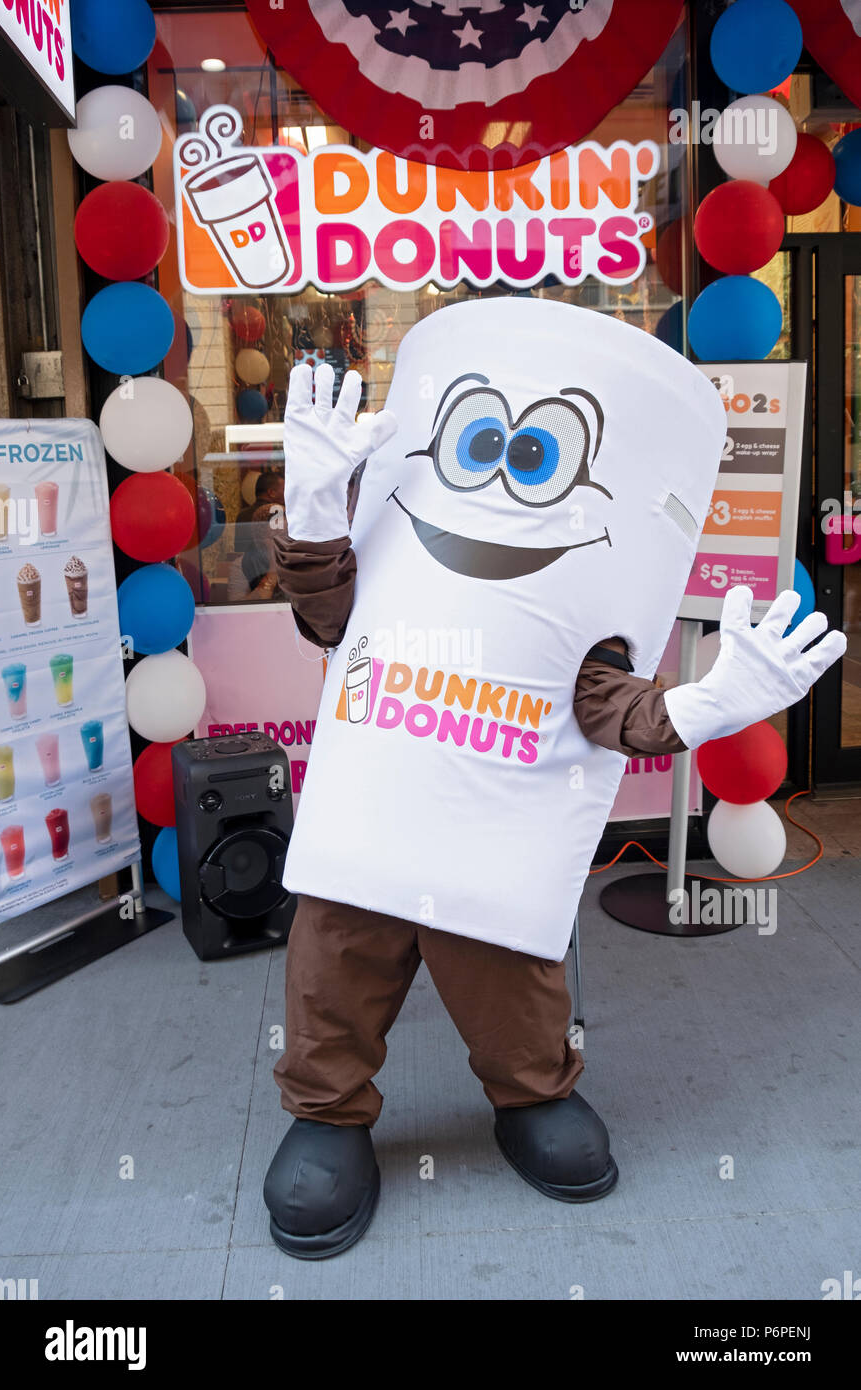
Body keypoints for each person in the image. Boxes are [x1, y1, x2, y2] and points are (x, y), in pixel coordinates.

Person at [262, 298, 846, 1261]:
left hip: (496, 839)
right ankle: (327, 1111)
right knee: (333, 968)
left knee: (510, 982)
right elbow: (328, 619)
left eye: (532, 456)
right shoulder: (395, 564)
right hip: (368, 820)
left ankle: (531, 1091)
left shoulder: (583, 609)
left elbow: (617, 712)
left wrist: (714, 702)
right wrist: (320, 508)